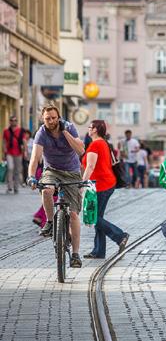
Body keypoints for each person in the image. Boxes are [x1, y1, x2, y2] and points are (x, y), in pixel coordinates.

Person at [27, 105, 85, 268]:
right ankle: (51, 222)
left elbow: (81, 150)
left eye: (53, 118)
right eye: (47, 118)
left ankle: (75, 254)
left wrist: (65, 132)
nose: (51, 121)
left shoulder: (69, 127)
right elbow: (35, 157)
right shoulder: (41, 133)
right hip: (51, 170)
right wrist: (31, 176)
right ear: (43, 119)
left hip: (72, 172)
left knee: (73, 214)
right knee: (46, 190)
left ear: (58, 117)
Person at [82, 120, 129, 259]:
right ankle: (99, 251)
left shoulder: (95, 144)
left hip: (101, 185)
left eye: (90, 127)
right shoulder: (104, 143)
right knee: (98, 217)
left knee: (94, 217)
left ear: (95, 130)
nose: (88, 129)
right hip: (106, 183)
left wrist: (82, 184)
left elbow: (90, 166)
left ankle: (120, 236)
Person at [2, 116, 26, 194]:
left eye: (15, 120)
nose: (13, 122)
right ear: (10, 121)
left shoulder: (21, 131)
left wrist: (24, 152)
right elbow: (4, 141)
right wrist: (4, 151)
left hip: (18, 153)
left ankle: (16, 187)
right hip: (9, 153)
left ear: (17, 121)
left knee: (17, 171)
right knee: (10, 168)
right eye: (12, 120)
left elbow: (24, 141)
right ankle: (9, 187)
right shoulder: (6, 131)